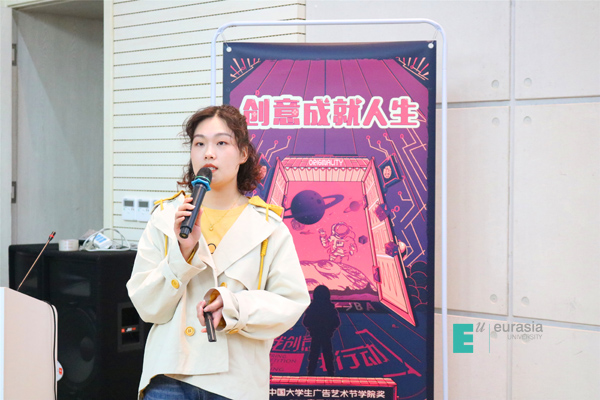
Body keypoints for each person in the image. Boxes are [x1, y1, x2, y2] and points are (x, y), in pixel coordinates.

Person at [127, 105, 310, 400]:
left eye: (221, 143)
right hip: (170, 376)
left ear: (243, 153)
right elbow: (148, 307)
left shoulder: (269, 226)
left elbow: (290, 302)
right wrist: (182, 255)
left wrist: (234, 306)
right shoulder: (166, 217)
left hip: (236, 381)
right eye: (199, 144)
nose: (208, 153)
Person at [302, 285, 340, 376]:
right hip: (326, 336)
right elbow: (336, 322)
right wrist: (329, 329)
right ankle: (330, 374)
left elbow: (306, 321)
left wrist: (312, 328)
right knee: (327, 355)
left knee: (314, 355)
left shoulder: (313, 308)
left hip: (316, 335)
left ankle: (311, 373)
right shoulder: (329, 308)